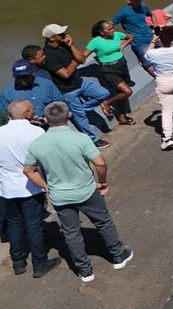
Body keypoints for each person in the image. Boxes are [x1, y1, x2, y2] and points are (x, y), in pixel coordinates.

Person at [23, 102, 134, 282]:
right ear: (68, 116)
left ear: (46, 119)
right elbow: (100, 163)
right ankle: (118, 255)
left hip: (60, 196)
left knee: (71, 232)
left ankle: (84, 270)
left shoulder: (37, 144)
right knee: (103, 222)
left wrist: (45, 186)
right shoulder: (80, 138)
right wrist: (103, 182)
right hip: (87, 190)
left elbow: (28, 170)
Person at [0, 100, 62, 278]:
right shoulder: (35, 132)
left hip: (6, 188)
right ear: (27, 112)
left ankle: (18, 262)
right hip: (30, 187)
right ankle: (39, 263)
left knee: (13, 224)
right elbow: (46, 157)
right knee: (33, 225)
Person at [40, 24, 112, 147]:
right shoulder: (48, 55)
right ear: (51, 38)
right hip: (67, 90)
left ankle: (83, 108)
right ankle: (94, 140)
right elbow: (66, 74)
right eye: (60, 34)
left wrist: (71, 45)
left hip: (80, 81)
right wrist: (75, 61)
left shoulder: (64, 45)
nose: (64, 35)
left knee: (104, 93)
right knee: (80, 117)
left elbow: (82, 60)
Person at [143, 26, 173, 151]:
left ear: (160, 40)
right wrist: (171, 37)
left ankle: (167, 138)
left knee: (167, 111)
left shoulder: (153, 53)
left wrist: (154, 39)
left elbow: (146, 54)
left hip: (164, 83)